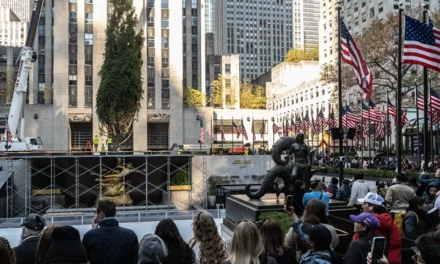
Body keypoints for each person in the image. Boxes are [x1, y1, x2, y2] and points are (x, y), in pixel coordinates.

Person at [82, 199, 139, 264]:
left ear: (101, 214)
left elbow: (84, 259)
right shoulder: (131, 235)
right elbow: (135, 259)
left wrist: (93, 231)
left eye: (96, 213)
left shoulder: (90, 236)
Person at [358, 193, 402, 264]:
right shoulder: (387, 219)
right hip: (392, 258)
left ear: (371, 207)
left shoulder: (369, 221)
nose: (362, 206)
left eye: (364, 203)